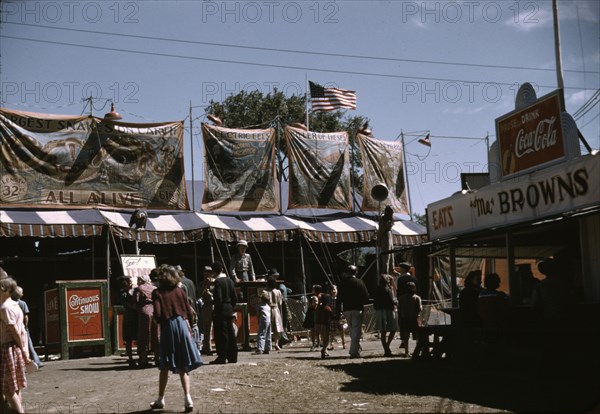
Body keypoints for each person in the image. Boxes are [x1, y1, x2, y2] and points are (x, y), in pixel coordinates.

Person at [150, 264, 202, 412]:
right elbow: (188, 310)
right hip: (182, 325)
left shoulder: (157, 293)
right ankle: (188, 399)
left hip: (168, 326)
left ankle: (160, 399)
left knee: (165, 363)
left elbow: (158, 314)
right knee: (183, 364)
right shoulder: (179, 290)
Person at [1, 277, 31, 413]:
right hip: (16, 348)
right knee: (16, 385)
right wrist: (24, 349)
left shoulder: (4, 308)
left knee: (7, 388)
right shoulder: (15, 305)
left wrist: (24, 352)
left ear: (4, 290)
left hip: (8, 348)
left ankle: (20, 412)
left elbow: (15, 332)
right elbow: (22, 331)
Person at [337, 265, 370, 358]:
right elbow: (366, 296)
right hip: (357, 308)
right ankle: (353, 351)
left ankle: (356, 348)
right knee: (356, 330)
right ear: (356, 272)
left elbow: (339, 298)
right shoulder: (360, 282)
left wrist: (338, 310)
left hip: (346, 309)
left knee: (352, 330)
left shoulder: (343, 283)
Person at [211, 261, 238, 365]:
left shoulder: (218, 282)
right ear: (222, 269)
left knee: (222, 334)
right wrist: (231, 307)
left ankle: (222, 356)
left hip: (221, 310)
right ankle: (233, 356)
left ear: (214, 272)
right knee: (231, 333)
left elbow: (218, 298)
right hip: (229, 308)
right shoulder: (230, 281)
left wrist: (215, 309)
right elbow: (234, 297)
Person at [12, 286, 43, 368]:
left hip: (13, 326)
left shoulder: (10, 304)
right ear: (21, 295)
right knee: (29, 344)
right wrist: (26, 326)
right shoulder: (22, 303)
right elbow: (26, 316)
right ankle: (37, 361)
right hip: (22, 326)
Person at [135, 274, 159, 368]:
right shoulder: (154, 288)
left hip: (144, 312)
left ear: (141, 280)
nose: (137, 282)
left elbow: (135, 301)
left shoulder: (139, 289)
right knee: (156, 334)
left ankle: (144, 360)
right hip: (155, 311)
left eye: (138, 280)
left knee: (144, 334)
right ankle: (157, 358)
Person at [374, 274, 398, 357]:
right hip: (388, 310)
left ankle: (386, 348)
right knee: (393, 329)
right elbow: (391, 300)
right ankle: (387, 347)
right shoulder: (388, 289)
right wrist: (396, 302)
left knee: (383, 331)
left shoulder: (377, 289)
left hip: (380, 310)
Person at [396, 262, 418, 349]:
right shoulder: (414, 279)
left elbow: (399, 292)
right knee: (415, 325)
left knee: (403, 324)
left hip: (404, 302)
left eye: (400, 268)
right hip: (413, 302)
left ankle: (403, 342)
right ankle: (417, 342)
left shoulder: (401, 279)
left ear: (403, 269)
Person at [397, 281, 422, 357]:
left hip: (404, 318)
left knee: (406, 336)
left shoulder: (401, 298)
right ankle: (418, 351)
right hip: (415, 318)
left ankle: (406, 351)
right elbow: (420, 308)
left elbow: (399, 308)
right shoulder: (417, 297)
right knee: (418, 335)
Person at [119, 276, 139, 368]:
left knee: (138, 337)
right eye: (129, 281)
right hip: (130, 316)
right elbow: (128, 304)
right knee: (129, 338)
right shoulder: (123, 293)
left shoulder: (134, 290)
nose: (130, 283)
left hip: (135, 316)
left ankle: (141, 357)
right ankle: (130, 358)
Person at [198, 265, 215, 355]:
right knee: (206, 328)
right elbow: (199, 294)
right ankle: (207, 347)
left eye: (208, 273)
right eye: (205, 273)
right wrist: (205, 286)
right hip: (206, 306)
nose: (206, 275)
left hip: (214, 305)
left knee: (215, 327)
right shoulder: (202, 283)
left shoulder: (215, 282)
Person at [266, 276, 284, 351]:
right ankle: (276, 343)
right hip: (276, 309)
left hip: (267, 309)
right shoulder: (278, 292)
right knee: (277, 327)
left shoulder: (265, 292)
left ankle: (268, 344)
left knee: (268, 327)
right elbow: (280, 303)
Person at [377, 205, 395, 274]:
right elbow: (381, 230)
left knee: (391, 254)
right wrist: (379, 238)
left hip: (389, 235)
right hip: (385, 236)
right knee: (386, 256)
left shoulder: (388, 219)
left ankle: (391, 269)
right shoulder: (384, 220)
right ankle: (386, 272)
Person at [315, 293, 334, 359]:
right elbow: (332, 316)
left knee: (323, 338)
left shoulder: (318, 307)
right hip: (325, 325)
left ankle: (325, 350)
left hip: (318, 324)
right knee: (327, 339)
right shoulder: (327, 308)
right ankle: (324, 349)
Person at [328, 284, 345, 350]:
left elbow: (342, 307)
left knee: (341, 331)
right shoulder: (329, 299)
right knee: (332, 331)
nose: (334, 291)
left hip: (339, 316)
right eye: (332, 289)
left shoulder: (340, 298)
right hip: (332, 316)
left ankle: (343, 342)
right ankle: (331, 344)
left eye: (335, 289)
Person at [255, 290, 272, 354]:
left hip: (263, 320)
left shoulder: (260, 306)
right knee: (268, 334)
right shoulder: (268, 306)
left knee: (261, 334)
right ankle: (267, 348)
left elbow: (258, 314)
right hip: (268, 320)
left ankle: (260, 348)